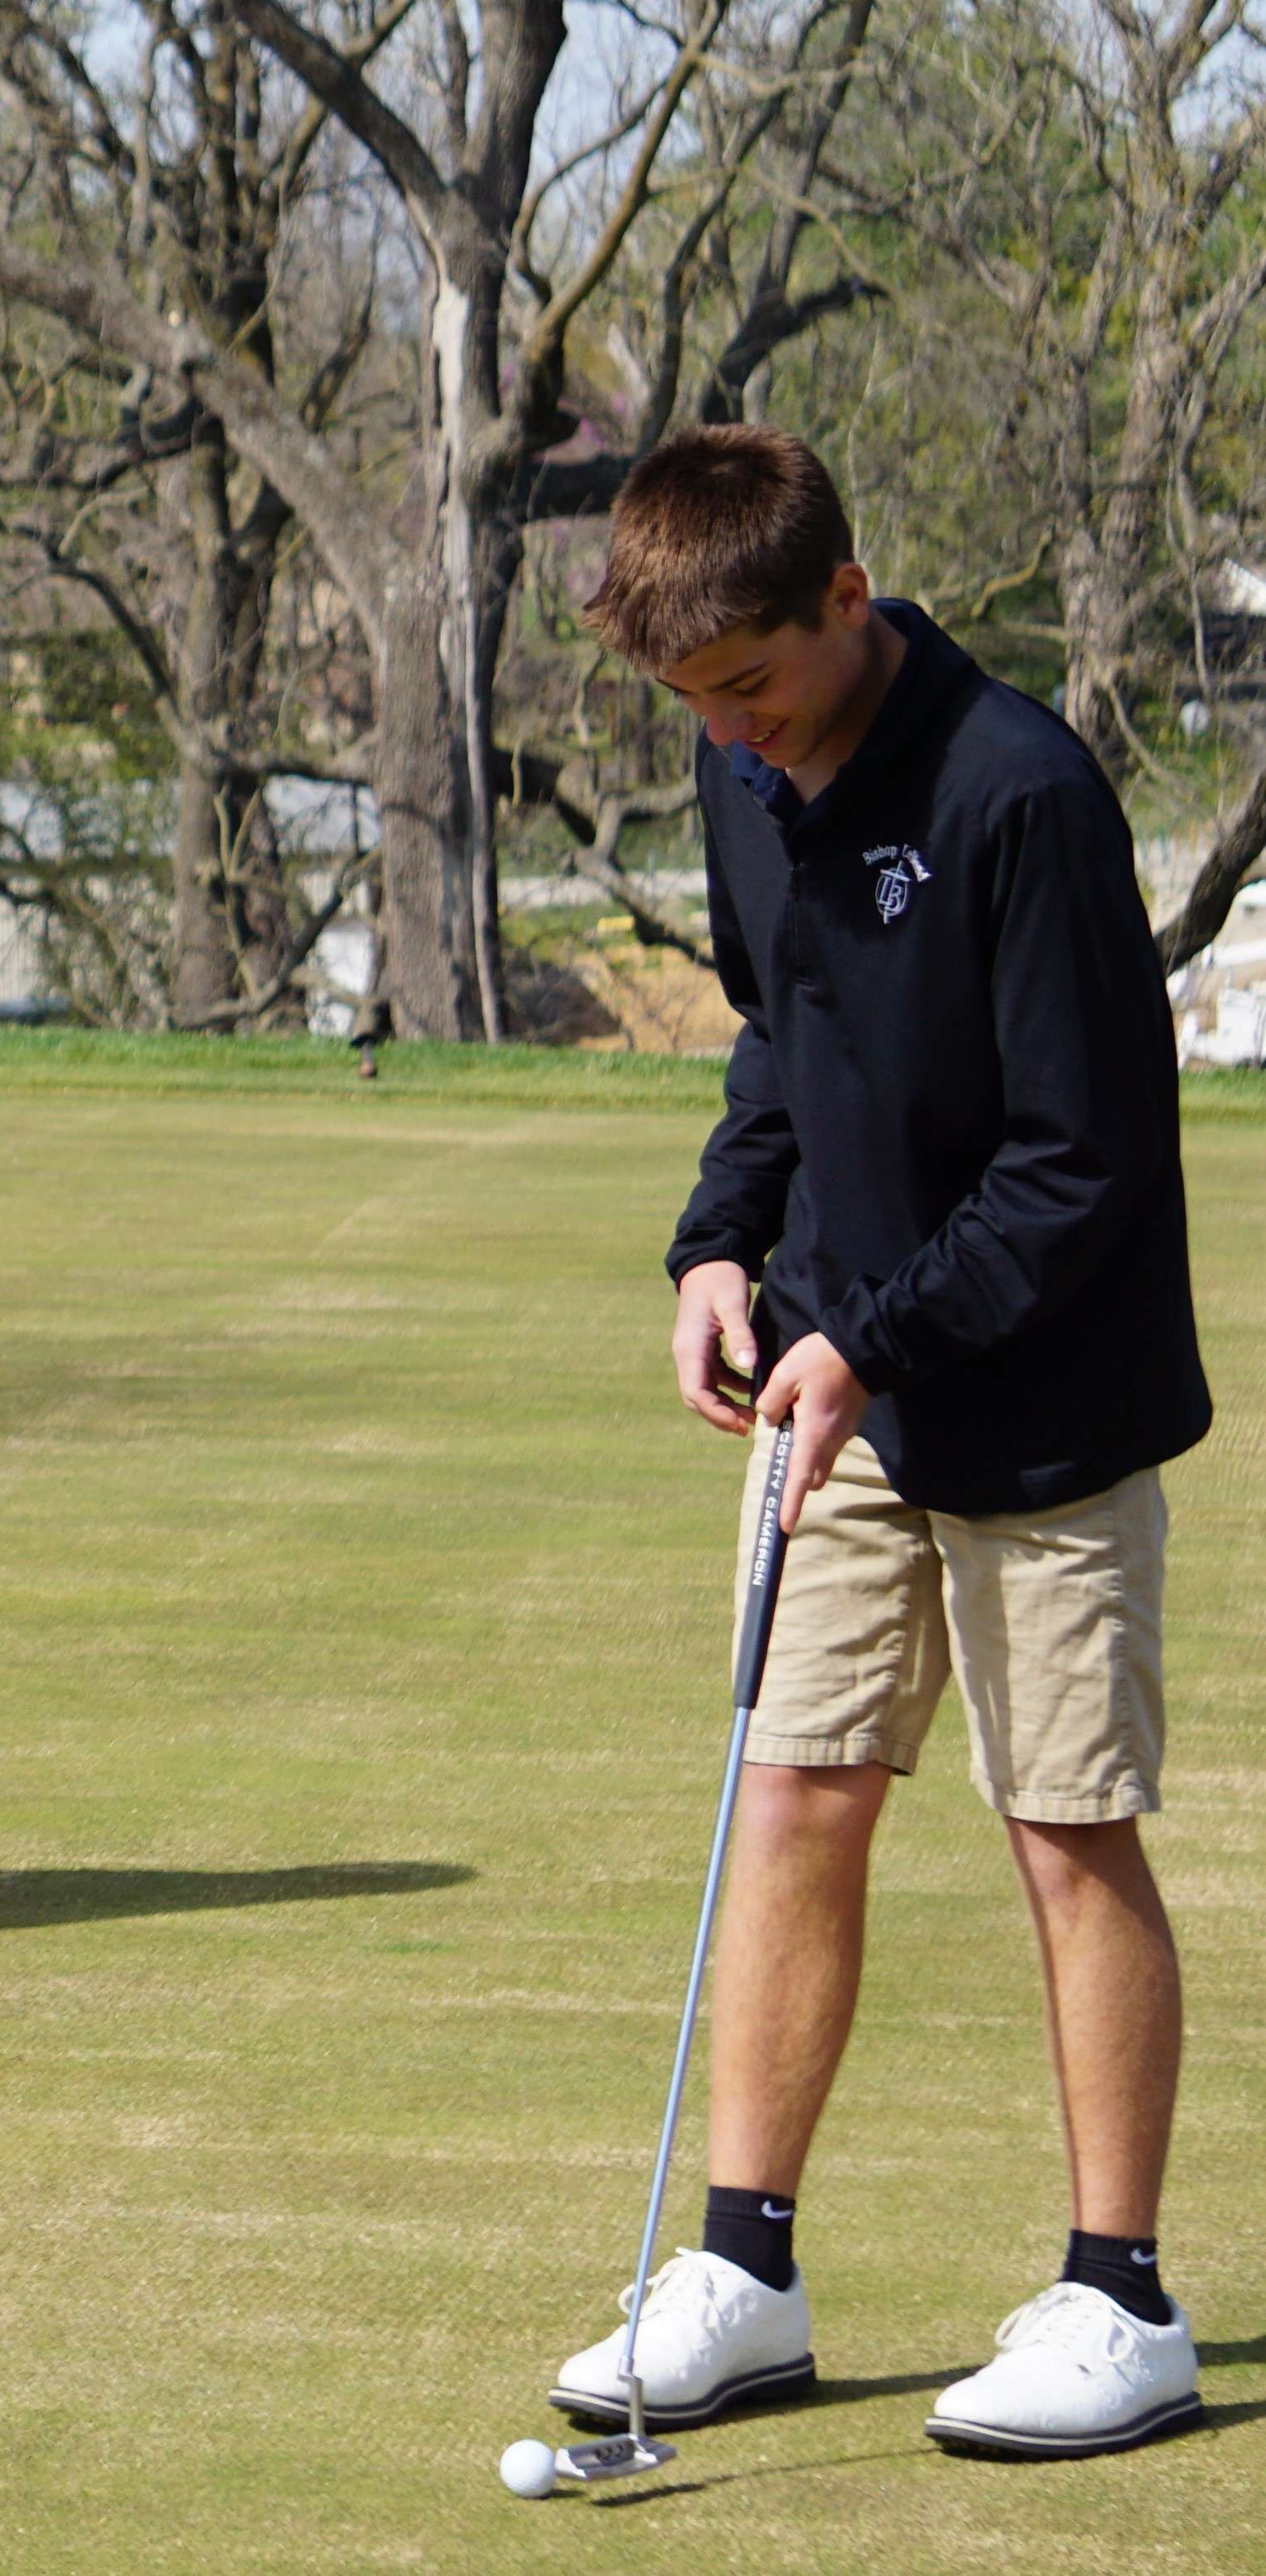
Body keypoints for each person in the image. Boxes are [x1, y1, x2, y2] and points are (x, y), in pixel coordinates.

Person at [554, 425, 1210, 2458]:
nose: (734, 742)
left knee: (1064, 1825)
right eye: (695, 710)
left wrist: (870, 1334)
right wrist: (718, 1246)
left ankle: (1122, 2301)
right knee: (800, 1795)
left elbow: (1076, 1160)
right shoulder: (742, 775)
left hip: (1044, 1403)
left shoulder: (1020, 791)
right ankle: (745, 2268)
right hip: (839, 1379)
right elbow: (783, 1030)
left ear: (848, 600)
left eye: (752, 689)